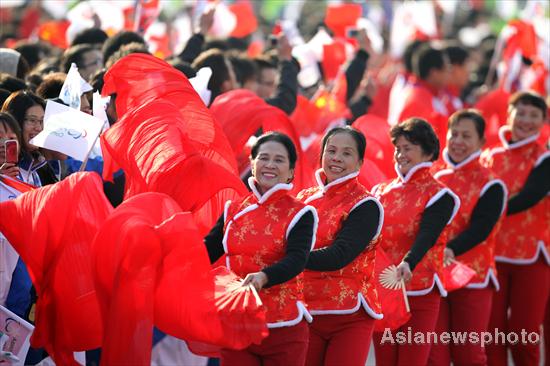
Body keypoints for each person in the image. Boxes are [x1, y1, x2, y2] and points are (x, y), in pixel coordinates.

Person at [204, 132, 317, 366]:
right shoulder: (232, 209)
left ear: (290, 170)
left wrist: (264, 276)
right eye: (264, 158)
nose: (270, 165)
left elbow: (297, 259)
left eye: (279, 160)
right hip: (238, 320)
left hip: (283, 325)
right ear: (252, 164)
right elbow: (206, 251)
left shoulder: (301, 213)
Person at [372, 118, 459, 366]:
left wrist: (409, 262)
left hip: (420, 288)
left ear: (428, 151)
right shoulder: (380, 192)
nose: (400, 154)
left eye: (408, 147)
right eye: (397, 148)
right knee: (385, 361)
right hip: (385, 289)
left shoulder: (439, 194)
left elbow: (428, 235)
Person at [296, 126, 384, 366]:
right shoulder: (304, 200)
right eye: (331, 150)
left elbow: (340, 255)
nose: (336, 158)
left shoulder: (366, 205)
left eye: (346, 153)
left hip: (350, 316)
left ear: (359, 162)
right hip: (307, 310)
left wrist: (291, 259)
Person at [428, 110, 506, 366]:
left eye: (467, 136)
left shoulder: (491, 183)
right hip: (435, 277)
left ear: (482, 142)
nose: (458, 141)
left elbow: (481, 228)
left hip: (472, 276)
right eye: (454, 134)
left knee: (468, 354)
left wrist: (449, 249)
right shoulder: (435, 177)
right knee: (434, 354)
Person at [483, 91, 549, 366]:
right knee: (492, 334)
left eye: (534, 116)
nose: (526, 120)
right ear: (508, 114)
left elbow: (529, 197)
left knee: (524, 334)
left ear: (544, 121)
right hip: (492, 256)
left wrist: (483, 212)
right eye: (520, 113)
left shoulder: (544, 159)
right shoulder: (489, 156)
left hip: (531, 256)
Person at [1, 90, 58, 186]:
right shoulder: (4, 166)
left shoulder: (41, 164)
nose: (39, 128)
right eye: (32, 120)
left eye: (41, 121)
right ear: (15, 121)